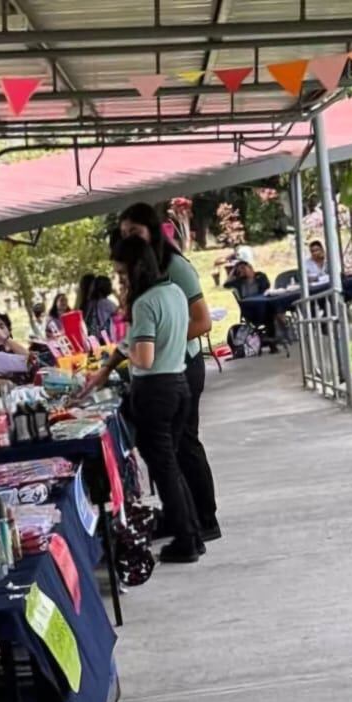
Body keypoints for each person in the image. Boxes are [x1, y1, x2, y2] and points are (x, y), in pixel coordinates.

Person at [117, 201, 220, 542]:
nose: (131, 239)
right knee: (169, 455)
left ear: (153, 229)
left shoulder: (175, 268)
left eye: (135, 232)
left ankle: (204, 519)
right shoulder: (143, 273)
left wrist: (164, 344)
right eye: (124, 235)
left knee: (183, 447)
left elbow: (203, 321)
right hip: (166, 366)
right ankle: (183, 520)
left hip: (181, 366)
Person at [109, 234, 202, 565]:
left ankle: (187, 539)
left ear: (135, 269)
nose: (120, 280)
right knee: (171, 466)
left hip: (154, 392)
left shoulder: (144, 303)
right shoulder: (175, 292)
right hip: (179, 386)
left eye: (122, 274)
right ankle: (191, 531)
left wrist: (125, 348)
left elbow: (144, 358)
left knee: (164, 469)